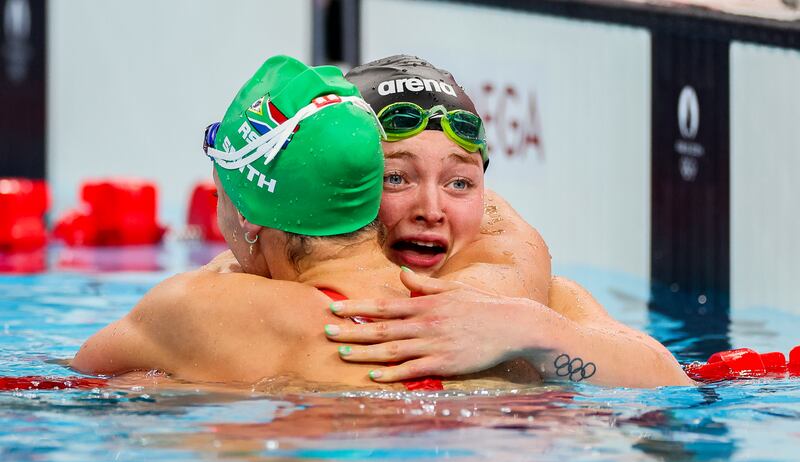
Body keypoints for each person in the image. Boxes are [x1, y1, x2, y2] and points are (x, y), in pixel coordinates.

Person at [70, 55, 540, 389]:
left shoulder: (196, 308)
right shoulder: (500, 321)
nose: (431, 210)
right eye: (399, 177)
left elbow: (79, 376)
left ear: (247, 213)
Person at [320, 55, 694, 387]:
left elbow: (671, 384)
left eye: (459, 183)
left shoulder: (539, 301)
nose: (431, 211)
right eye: (397, 178)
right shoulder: (285, 290)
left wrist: (525, 330)